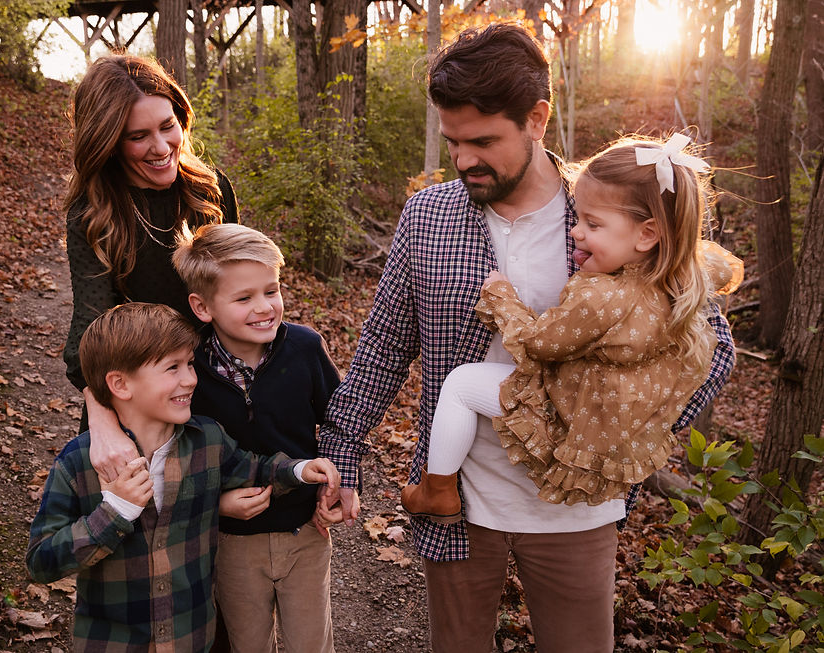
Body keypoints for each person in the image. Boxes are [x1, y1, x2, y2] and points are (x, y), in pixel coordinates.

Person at [316, 21, 736, 652]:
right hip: (458, 500)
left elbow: (713, 347)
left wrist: (626, 428)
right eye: (452, 141)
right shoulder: (428, 217)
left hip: (574, 507)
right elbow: (384, 344)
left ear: (537, 120)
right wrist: (342, 446)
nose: (462, 160)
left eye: (482, 141)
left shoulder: (606, 215)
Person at [401, 134, 744, 522]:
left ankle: (438, 489)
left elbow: (538, 343)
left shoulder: (603, 298)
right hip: (604, 424)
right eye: (578, 218)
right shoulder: (679, 282)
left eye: (593, 224)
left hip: (566, 411)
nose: (576, 232)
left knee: (461, 385)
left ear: (647, 234)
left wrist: (501, 298)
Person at [26, 302, 341, 653]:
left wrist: (300, 469)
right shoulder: (78, 463)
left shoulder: (206, 440)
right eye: (172, 368)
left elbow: (256, 468)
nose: (191, 378)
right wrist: (112, 513)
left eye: (190, 363)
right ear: (120, 384)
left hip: (191, 641)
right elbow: (41, 562)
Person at [60, 54, 239, 482]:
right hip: (139, 401)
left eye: (167, 126)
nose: (161, 148)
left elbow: (240, 290)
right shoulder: (95, 216)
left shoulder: (209, 190)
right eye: (138, 136)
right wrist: (102, 424)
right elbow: (92, 333)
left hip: (218, 386)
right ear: (108, 141)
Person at [172, 223, 341, 653]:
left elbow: (341, 422)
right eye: (244, 298)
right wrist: (215, 503)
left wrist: (344, 483)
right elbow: (177, 455)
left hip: (305, 532)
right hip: (230, 541)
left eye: (272, 290)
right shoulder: (190, 371)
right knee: (247, 643)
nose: (264, 307)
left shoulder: (304, 348)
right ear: (202, 306)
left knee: (311, 643)